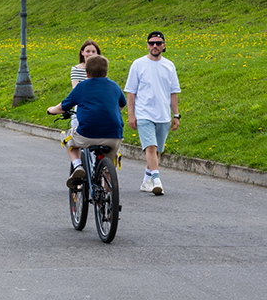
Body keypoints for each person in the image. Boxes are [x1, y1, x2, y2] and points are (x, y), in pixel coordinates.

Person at [47, 54, 127, 187]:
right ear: (106, 72)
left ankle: (78, 166)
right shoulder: (114, 86)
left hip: (87, 135)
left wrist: (51, 110)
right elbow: (122, 105)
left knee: (66, 137)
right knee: (108, 164)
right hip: (114, 136)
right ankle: (108, 193)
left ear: (87, 73)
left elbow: (62, 107)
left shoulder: (81, 86)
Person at [124, 30, 181, 195]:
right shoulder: (138, 64)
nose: (154, 46)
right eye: (151, 43)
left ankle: (146, 180)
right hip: (144, 114)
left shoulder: (169, 65)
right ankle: (157, 181)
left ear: (164, 46)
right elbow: (131, 92)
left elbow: (173, 93)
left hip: (163, 115)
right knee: (150, 147)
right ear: (147, 45)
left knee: (156, 151)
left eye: (158, 43)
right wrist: (131, 115)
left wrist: (176, 115)